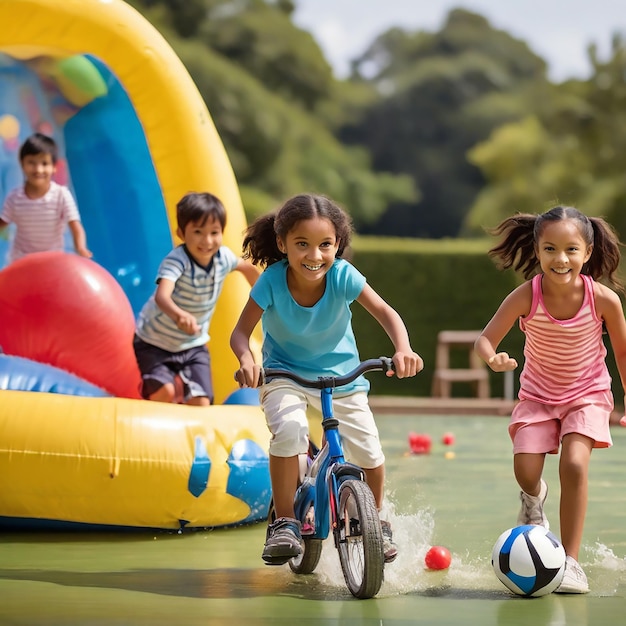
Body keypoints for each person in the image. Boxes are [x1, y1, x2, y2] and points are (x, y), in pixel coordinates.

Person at [230, 193, 423, 565]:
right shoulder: (271, 281)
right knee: (288, 430)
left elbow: (385, 311)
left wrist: (403, 348)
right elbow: (240, 333)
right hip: (284, 373)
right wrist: (247, 358)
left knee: (368, 449)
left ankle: (375, 522)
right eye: (302, 244)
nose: (314, 256)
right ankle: (285, 521)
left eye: (325, 245)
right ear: (283, 243)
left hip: (342, 378)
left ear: (338, 246)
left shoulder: (343, 276)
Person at [474, 205, 626, 594]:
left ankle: (571, 563)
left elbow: (622, 354)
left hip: (587, 395)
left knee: (575, 464)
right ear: (537, 251)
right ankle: (533, 498)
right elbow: (486, 338)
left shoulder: (604, 300)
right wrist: (493, 357)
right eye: (550, 249)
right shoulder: (527, 295)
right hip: (538, 397)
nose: (561, 259)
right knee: (526, 469)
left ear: (587, 253)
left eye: (571, 250)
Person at [134, 191, 258, 406]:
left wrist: (268, 296)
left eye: (214, 232)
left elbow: (246, 267)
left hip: (193, 344)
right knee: (164, 393)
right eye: (198, 232)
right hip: (154, 342)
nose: (207, 241)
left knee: (201, 403)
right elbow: (162, 296)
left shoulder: (223, 258)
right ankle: (153, 388)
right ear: (181, 233)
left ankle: (182, 398)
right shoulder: (177, 261)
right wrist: (178, 314)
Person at [0, 132, 91, 263]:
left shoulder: (61, 195)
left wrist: (80, 248)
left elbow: (75, 226)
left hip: (52, 261)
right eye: (31, 163)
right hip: (21, 261)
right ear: (22, 164)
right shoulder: (15, 198)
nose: (38, 169)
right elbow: (3, 223)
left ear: (54, 167)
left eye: (44, 163)